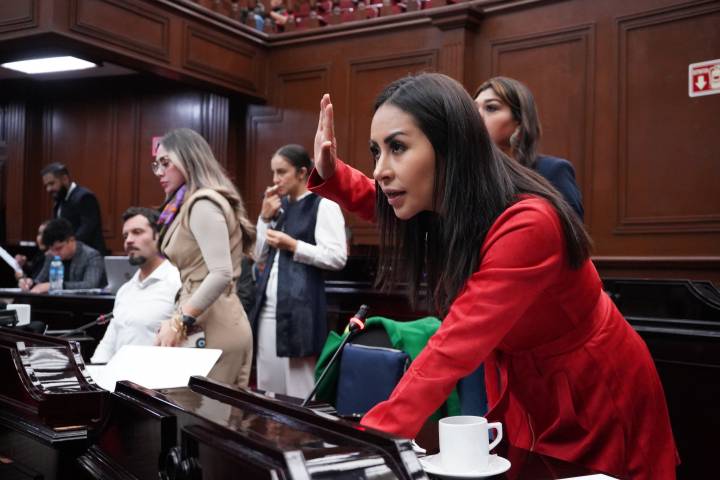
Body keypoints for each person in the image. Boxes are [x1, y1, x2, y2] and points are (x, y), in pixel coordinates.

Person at [307, 73, 677, 479]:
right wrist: (333, 173)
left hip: (593, 390)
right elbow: (379, 200)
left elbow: (452, 347)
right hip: (528, 386)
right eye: (376, 151)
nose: (380, 170)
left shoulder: (530, 223)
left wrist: (371, 442)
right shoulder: (454, 205)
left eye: (397, 147)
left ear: (450, 146)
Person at [152, 128, 256, 388]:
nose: (160, 172)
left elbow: (220, 274)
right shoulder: (188, 203)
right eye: (157, 165)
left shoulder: (202, 203)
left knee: (202, 411)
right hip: (205, 317)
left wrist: (179, 322)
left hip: (215, 323)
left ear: (187, 159)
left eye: (166, 162)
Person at [250, 144, 347, 398]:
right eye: (273, 172)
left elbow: (337, 257)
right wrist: (263, 218)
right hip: (267, 310)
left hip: (301, 310)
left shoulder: (323, 205)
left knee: (299, 392)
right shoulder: (277, 206)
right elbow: (258, 256)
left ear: (302, 173)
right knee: (268, 390)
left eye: (282, 172)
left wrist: (294, 246)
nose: (275, 180)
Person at [475, 76, 584, 219]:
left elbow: (572, 228)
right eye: (473, 108)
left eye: (491, 108)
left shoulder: (553, 170)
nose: (477, 115)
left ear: (519, 121)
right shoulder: (471, 172)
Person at [91, 207, 181, 364]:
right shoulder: (125, 290)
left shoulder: (178, 283)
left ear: (159, 236)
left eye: (137, 232)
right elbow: (108, 344)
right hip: (117, 376)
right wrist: (93, 372)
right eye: (125, 236)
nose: (129, 240)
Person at [19, 218, 105, 293]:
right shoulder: (51, 255)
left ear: (71, 240)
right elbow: (40, 281)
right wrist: (30, 283)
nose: (55, 253)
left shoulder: (91, 256)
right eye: (51, 249)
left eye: (58, 248)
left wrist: (55, 286)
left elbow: (90, 285)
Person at [41, 162, 108, 254]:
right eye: (46, 186)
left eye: (52, 183)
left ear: (65, 179)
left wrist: (64, 247)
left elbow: (87, 230)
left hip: (89, 256)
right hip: (68, 255)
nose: (48, 189)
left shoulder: (85, 197)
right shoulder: (59, 201)